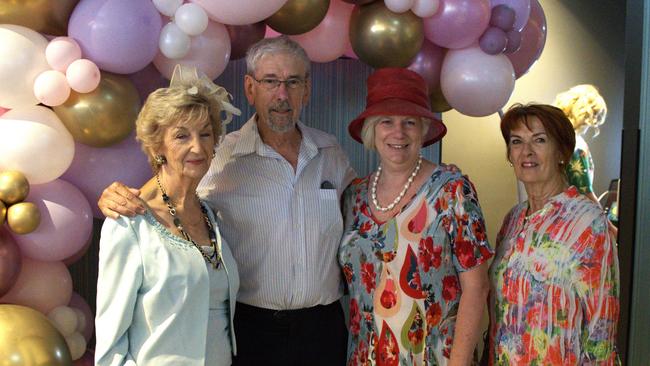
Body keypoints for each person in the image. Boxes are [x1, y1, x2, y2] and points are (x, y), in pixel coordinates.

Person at [98, 36, 355, 365]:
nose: (282, 95)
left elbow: (366, 212)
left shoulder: (331, 153)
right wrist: (114, 195)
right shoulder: (221, 156)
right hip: (251, 333)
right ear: (250, 88)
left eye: (293, 82)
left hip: (324, 330)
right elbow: (169, 189)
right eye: (270, 82)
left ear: (306, 89)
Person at [339, 68, 493, 365]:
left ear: (423, 129)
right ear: (372, 130)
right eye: (387, 122)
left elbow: (477, 287)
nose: (398, 133)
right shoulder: (354, 197)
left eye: (409, 122)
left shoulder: (452, 192)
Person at [95, 65, 240, 365]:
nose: (197, 147)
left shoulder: (212, 215)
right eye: (182, 136)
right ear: (157, 144)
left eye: (205, 134)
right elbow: (110, 347)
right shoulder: (129, 222)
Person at [487, 103, 619, 365]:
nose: (527, 151)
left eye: (539, 140)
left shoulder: (587, 223)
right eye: (517, 142)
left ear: (562, 151)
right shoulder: (512, 219)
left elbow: (602, 328)